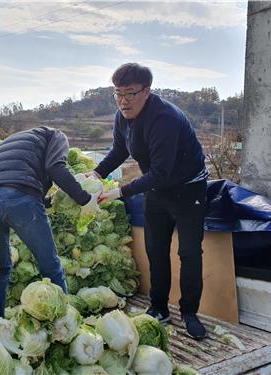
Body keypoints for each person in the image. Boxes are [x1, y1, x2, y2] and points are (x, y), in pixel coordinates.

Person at [92, 63, 209, 340]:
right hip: (157, 190)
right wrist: (96, 173)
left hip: (188, 190)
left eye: (130, 94)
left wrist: (119, 192)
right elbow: (119, 150)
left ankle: (190, 313)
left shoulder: (164, 118)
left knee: (190, 253)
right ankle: (159, 308)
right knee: (156, 250)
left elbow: (160, 172)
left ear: (147, 91)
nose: (123, 101)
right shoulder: (122, 117)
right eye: (118, 94)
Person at [0, 126, 98, 320]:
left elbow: (9, 182)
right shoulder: (57, 135)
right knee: (51, 266)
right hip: (18, 195)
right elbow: (55, 167)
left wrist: (51, 201)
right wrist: (84, 199)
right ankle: (64, 322)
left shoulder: (15, 141)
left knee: (0, 267)